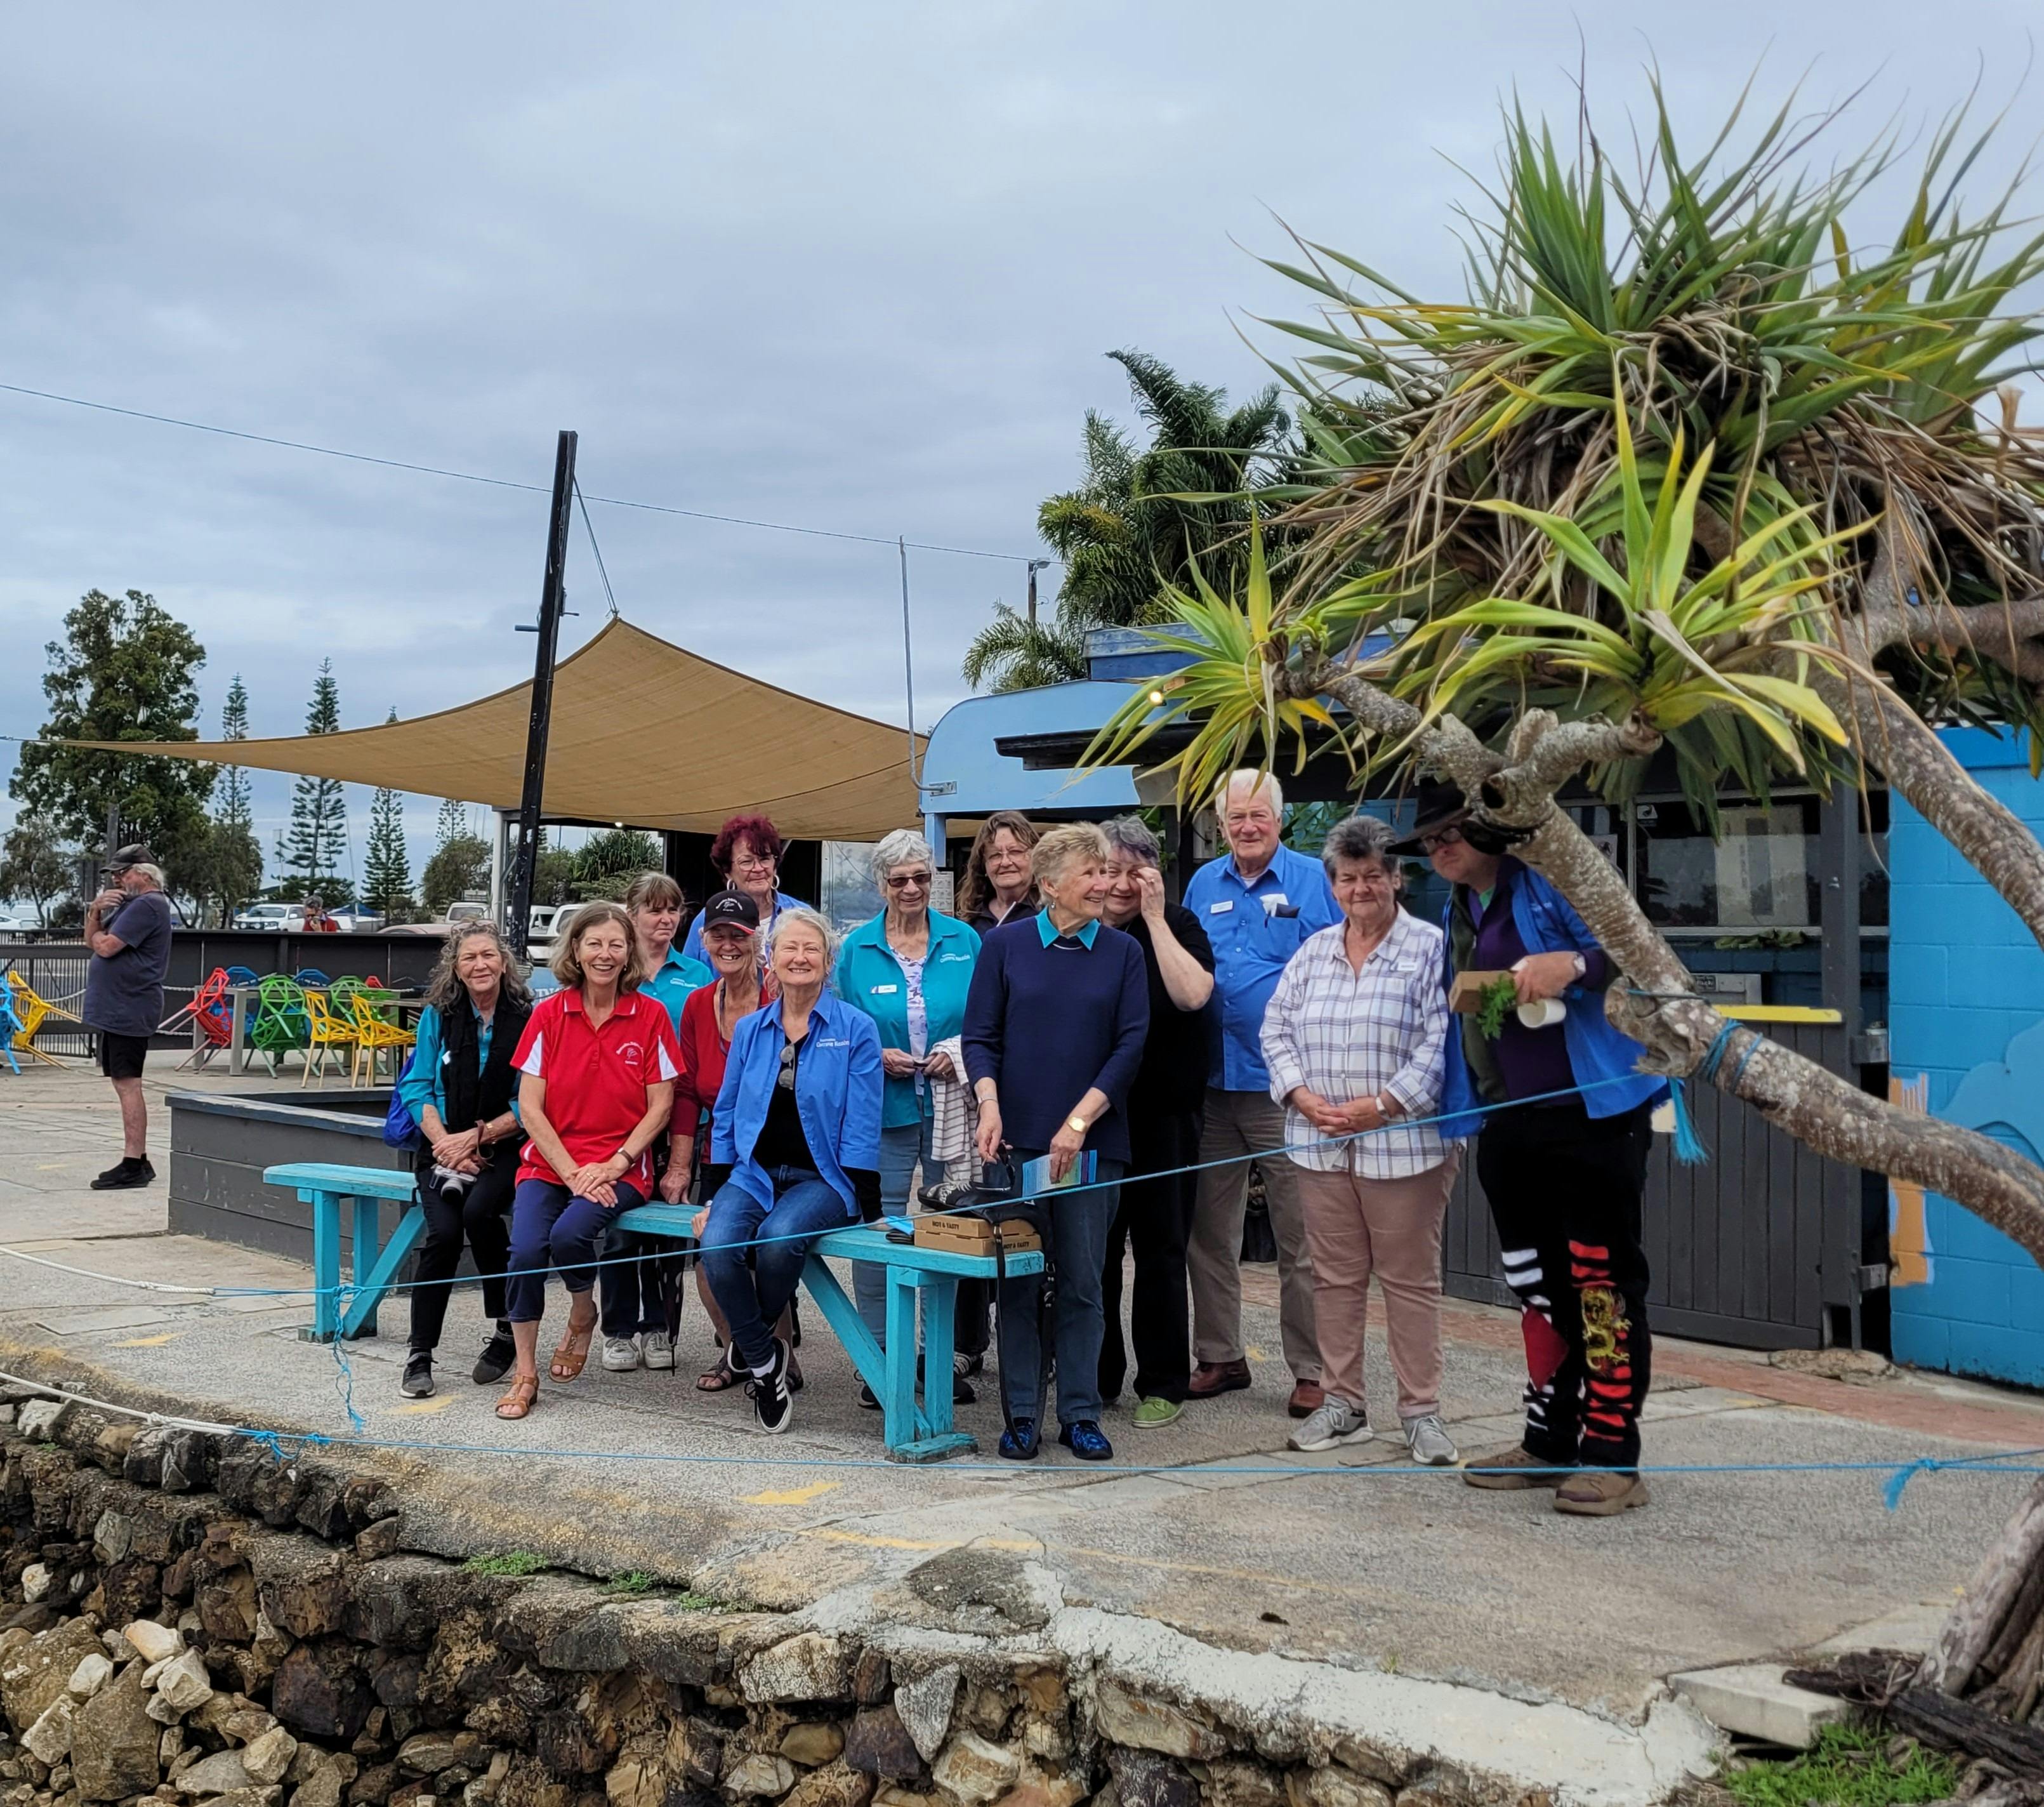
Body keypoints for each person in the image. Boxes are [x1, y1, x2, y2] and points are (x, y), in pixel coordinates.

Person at [1393, 778, 1666, 1516]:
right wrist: (1481, 992)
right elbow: (1484, 999)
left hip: (1592, 1114)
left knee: (1600, 1283)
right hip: (1507, 1119)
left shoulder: (1554, 877)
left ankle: (1613, 1454)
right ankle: (1548, 1439)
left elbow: (1642, 954)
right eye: (1427, 839)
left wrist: (1573, 967)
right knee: (1537, 1287)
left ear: (1492, 829)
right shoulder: (1461, 904)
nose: (1437, 847)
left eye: (1450, 831)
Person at [1262, 814, 1459, 1465]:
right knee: (1334, 1278)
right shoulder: (1313, 950)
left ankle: (1420, 1412)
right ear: (1332, 884)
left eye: (1372, 876)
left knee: (1408, 1282)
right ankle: (1342, 1404)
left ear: (1395, 879)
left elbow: (1442, 1041)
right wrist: (1299, 1094)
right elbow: (1274, 1030)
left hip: (1403, 1148)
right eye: (1347, 879)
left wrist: (1384, 1105)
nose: (1360, 889)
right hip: (1318, 1144)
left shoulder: (1431, 947)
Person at [964, 823, 1148, 1462]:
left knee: (1082, 1282)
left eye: (1108, 873)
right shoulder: (1005, 947)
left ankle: (1078, 1414)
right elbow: (979, 1038)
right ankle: (1019, 1416)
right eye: (1092, 874)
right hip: (1013, 1147)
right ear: (1049, 886)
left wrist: (1076, 1124)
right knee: (1016, 1281)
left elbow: (1130, 1046)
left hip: (1093, 1149)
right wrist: (987, 1104)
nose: (1106, 884)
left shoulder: (1123, 953)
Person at [1182, 771, 1341, 1417]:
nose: (1247, 827)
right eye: (1235, 817)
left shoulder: (1311, 880)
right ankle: (1219, 1355)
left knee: (1299, 1237)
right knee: (1206, 1233)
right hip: (1213, 1084)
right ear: (1222, 824)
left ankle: (1311, 1369)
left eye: (1258, 816)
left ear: (1279, 820)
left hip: (1286, 1089)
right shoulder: (1200, 884)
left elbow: (1337, 968)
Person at [700, 907, 883, 1433]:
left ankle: (747, 1347)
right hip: (754, 1174)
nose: (800, 957)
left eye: (811, 949)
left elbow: (863, 1119)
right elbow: (728, 1111)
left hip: (823, 1179)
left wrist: (864, 1202)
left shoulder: (856, 1030)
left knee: (778, 1240)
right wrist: (715, 1192)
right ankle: (764, 1360)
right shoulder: (752, 1029)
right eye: (789, 948)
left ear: (828, 962)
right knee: (716, 1246)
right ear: (771, 961)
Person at [496, 903, 680, 1421]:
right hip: (553, 1163)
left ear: (629, 953)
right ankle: (525, 1372)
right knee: (527, 1249)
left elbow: (661, 1105)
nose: (605, 954)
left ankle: (582, 1311)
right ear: (575, 948)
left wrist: (617, 1162)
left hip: (622, 1167)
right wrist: (574, 1171)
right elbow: (529, 1106)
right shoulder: (549, 1013)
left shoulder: (651, 1015)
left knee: (571, 1236)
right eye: (594, 943)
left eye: (615, 944)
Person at [833, 830, 982, 1401]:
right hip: (883, 1111)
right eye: (899, 880)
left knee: (948, 1234)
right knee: (879, 1233)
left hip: (953, 1108)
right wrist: (875, 1053)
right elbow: (840, 1033)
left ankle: (936, 1358)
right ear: (881, 885)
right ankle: (881, 1361)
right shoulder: (855, 948)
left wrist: (958, 1048)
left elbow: (993, 1017)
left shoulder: (964, 939)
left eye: (921, 876)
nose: (912, 888)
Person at [1097, 816, 1214, 1430]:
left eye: (1130, 871)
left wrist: (1154, 919)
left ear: (1151, 873)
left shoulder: (1178, 927)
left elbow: (1192, 994)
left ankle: (1163, 1380)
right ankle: (1097, 1375)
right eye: (1107, 870)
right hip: (1095, 1118)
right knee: (1096, 1251)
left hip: (1164, 1114)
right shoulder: (1081, 933)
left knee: (1161, 1250)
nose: (1117, 884)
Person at [668, 889, 800, 1393]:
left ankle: (780, 1354)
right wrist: (680, 1165)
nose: (728, 945)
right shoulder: (699, 1004)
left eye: (739, 936)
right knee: (711, 1256)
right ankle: (741, 1349)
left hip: (778, 1152)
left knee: (767, 1252)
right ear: (704, 941)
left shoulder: (779, 1000)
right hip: (720, 1152)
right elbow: (685, 1092)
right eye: (718, 935)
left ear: (757, 941)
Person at [397, 921, 533, 1398]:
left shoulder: (528, 1014)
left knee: (481, 1213)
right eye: (469, 957)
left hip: (505, 1148)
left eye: (488, 956)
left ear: (504, 962)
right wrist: (445, 1143)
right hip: (440, 1148)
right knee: (445, 1234)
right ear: (455, 967)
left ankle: (503, 1328)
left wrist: (478, 1137)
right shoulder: (439, 1014)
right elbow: (416, 1086)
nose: (480, 965)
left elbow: (532, 1099)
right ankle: (419, 1354)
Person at [598, 874, 713, 1375]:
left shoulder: (696, 974)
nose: (665, 920)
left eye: (673, 911)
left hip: (680, 1119)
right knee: (621, 1229)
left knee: (670, 1228)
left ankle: (660, 1325)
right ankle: (619, 1329)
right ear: (632, 913)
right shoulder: (612, 973)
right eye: (654, 910)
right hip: (621, 1121)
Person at [79, 847, 175, 1191]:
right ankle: (138, 1161)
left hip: (129, 1007)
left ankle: (133, 1162)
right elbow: (92, 939)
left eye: (124, 873)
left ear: (145, 875)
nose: (117, 879)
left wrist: (101, 935)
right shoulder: (130, 907)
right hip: (117, 1008)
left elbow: (105, 947)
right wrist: (95, 913)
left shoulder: (149, 905)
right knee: (122, 1082)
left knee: (128, 1083)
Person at [680, 814, 807, 965]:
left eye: (765, 859)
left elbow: (827, 979)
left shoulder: (803, 915)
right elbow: (690, 979)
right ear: (728, 871)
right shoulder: (706, 920)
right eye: (746, 862)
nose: (758, 869)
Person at [957, 811, 1040, 936]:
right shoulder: (971, 918)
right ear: (983, 865)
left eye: (1015, 852)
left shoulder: (1049, 915)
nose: (1005, 863)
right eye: (995, 855)